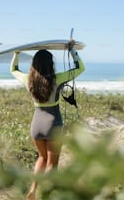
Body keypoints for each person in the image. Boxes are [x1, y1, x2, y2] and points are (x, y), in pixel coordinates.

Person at [10, 40, 85, 200]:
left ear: (34, 64)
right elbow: (80, 68)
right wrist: (72, 51)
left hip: (36, 125)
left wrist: (16, 54)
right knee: (53, 164)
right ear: (51, 64)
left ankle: (33, 189)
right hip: (53, 124)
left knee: (42, 158)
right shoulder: (57, 79)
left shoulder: (28, 80)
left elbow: (13, 70)